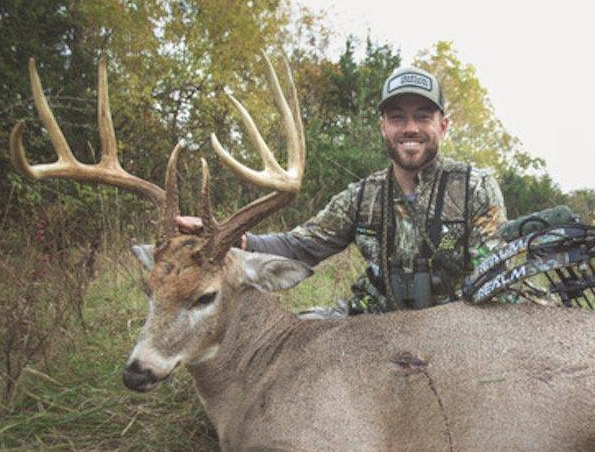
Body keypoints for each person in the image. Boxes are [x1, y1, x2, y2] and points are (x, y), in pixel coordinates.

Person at [180, 65, 508, 316]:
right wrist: (237, 239)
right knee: (294, 340)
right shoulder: (362, 197)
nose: (410, 128)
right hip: (369, 323)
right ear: (383, 126)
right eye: (397, 118)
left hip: (452, 330)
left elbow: (494, 278)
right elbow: (299, 246)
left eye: (422, 117)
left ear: (443, 125)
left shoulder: (474, 188)